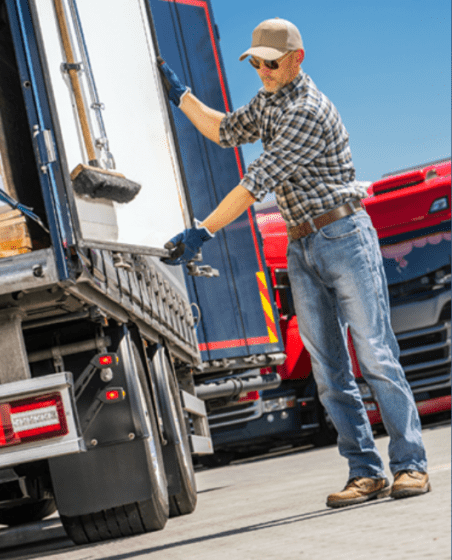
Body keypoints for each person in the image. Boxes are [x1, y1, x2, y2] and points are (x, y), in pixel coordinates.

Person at [159, 17, 430, 508]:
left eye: (270, 61)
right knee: (328, 369)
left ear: (296, 59)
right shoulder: (269, 102)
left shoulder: (307, 110)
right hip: (303, 246)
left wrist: (204, 229)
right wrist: (180, 95)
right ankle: (364, 471)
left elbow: (254, 181)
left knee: (375, 355)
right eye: (255, 61)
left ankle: (410, 466)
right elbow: (224, 131)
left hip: (343, 235)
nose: (261, 69)